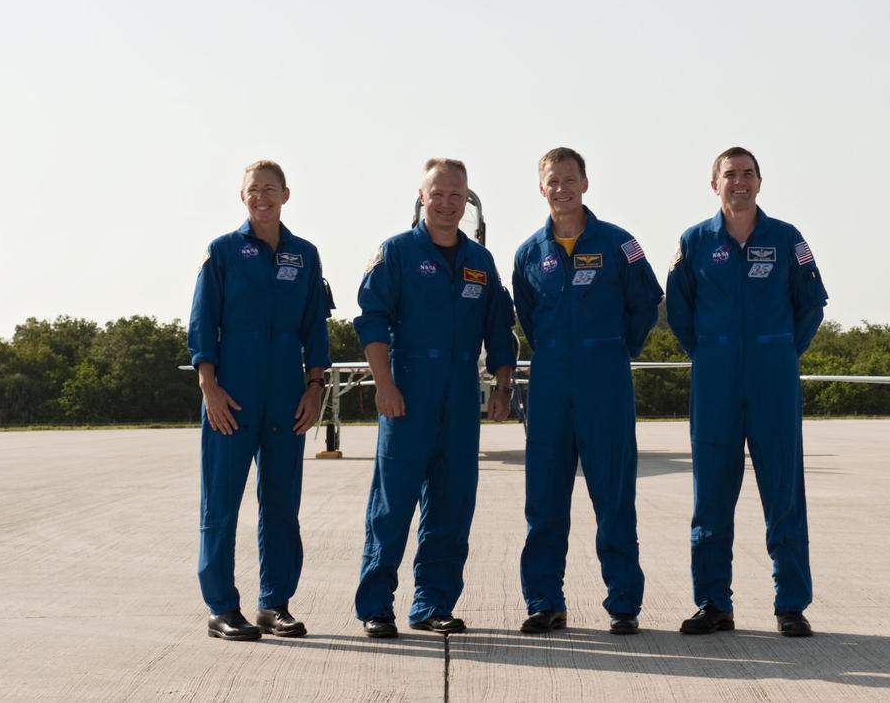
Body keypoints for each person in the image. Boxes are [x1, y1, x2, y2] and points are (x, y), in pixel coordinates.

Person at [665, 146, 828, 638]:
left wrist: (777, 351)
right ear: (714, 184)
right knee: (711, 494)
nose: (739, 182)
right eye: (729, 174)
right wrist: (714, 352)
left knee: (783, 491)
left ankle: (790, 604)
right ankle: (714, 603)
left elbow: (812, 303)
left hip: (772, 377)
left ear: (760, 182)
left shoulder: (786, 239)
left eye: (747, 174)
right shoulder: (694, 242)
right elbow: (678, 309)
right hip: (715, 378)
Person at [354, 158, 516, 638]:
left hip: (461, 394)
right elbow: (371, 320)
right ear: (421, 196)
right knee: (392, 506)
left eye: (456, 195)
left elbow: (500, 329)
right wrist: (384, 385)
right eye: (438, 193)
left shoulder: (479, 262)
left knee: (452, 504)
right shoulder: (397, 252)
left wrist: (503, 387)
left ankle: (432, 605)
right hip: (407, 389)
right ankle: (376, 606)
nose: (447, 203)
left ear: (467, 200)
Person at [512, 147, 663, 635]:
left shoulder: (622, 245)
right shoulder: (528, 254)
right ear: (541, 188)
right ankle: (544, 600)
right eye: (552, 181)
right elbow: (527, 315)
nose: (562, 188)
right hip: (551, 385)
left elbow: (646, 302)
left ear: (585, 182)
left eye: (569, 179)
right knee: (545, 501)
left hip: (605, 383)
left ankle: (623, 602)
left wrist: (617, 349)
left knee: (614, 496)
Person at [188, 160, 333, 641]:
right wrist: (209, 387)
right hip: (233, 395)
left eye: (270, 189)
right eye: (253, 190)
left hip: (287, 397)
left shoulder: (305, 255)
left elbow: (316, 326)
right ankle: (221, 607)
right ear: (242, 196)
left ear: (286, 195)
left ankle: (275, 604)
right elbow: (203, 322)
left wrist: (315, 388)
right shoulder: (223, 252)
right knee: (221, 502)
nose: (262, 197)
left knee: (281, 503)